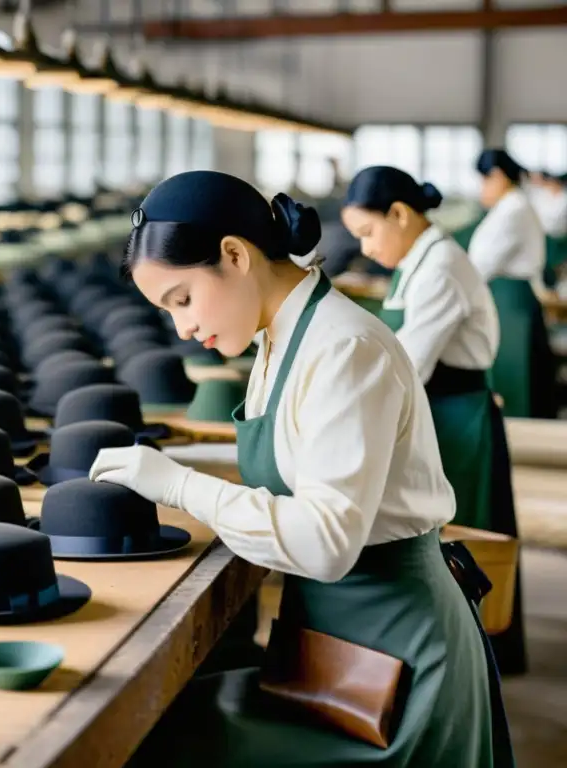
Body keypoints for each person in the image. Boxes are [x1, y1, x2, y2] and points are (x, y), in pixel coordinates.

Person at [89, 171, 513, 767]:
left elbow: (326, 542)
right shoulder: (280, 338)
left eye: (181, 300)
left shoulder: (342, 349)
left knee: (166, 737)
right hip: (335, 643)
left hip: (395, 658)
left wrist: (181, 486)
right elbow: (296, 459)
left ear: (235, 255)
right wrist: (169, 467)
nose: (181, 327)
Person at [341, 165, 526, 674]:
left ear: (399, 214)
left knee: (461, 535)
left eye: (368, 233)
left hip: (454, 414)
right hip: (433, 407)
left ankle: (468, 657)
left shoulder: (441, 266)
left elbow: (409, 364)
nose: (368, 247)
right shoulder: (418, 261)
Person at [469, 148, 556, 419]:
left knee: (517, 375)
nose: (482, 189)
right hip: (505, 297)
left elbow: (483, 262)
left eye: (484, 181)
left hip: (511, 302)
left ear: (498, 176)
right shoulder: (509, 206)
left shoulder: (513, 209)